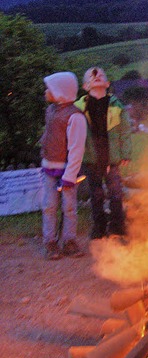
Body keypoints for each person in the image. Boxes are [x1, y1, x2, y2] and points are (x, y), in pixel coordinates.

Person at [75, 67, 132, 239]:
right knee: (96, 194)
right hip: (92, 158)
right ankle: (99, 227)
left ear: (107, 84)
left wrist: (126, 153)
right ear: (86, 86)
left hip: (111, 157)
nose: (96, 76)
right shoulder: (79, 108)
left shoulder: (116, 105)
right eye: (92, 76)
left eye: (100, 74)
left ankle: (117, 226)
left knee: (115, 193)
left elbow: (125, 131)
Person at [40, 72, 87, 260]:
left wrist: (70, 175)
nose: (46, 92)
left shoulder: (75, 117)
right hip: (49, 168)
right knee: (49, 206)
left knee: (68, 207)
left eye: (49, 89)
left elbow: (76, 148)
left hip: (67, 170)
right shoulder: (51, 110)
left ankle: (69, 241)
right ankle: (50, 241)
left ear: (60, 91)